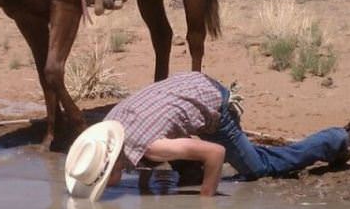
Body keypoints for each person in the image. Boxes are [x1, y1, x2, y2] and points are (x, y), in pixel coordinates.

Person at [65, 72, 350, 200]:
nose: (104, 187)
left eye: (101, 181)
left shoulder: (152, 148)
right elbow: (145, 143)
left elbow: (217, 153)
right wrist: (145, 183)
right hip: (187, 85)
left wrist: (206, 202)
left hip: (216, 105)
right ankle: (199, 163)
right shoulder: (110, 124)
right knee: (183, 163)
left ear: (113, 165)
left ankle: (337, 139)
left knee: (261, 168)